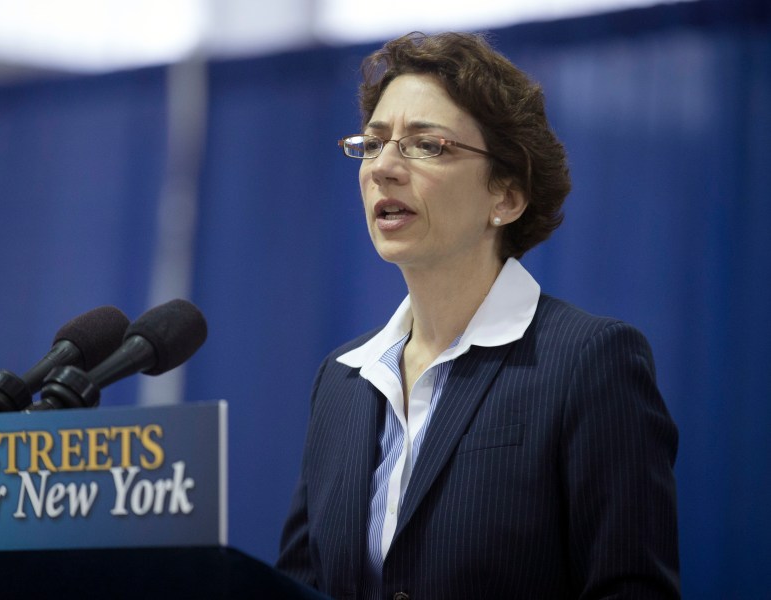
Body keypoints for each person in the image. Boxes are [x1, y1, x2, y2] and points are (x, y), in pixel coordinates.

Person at [276, 32, 680, 599]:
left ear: (506, 197)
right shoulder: (342, 381)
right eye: (372, 143)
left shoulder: (587, 362)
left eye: (427, 146)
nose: (383, 168)